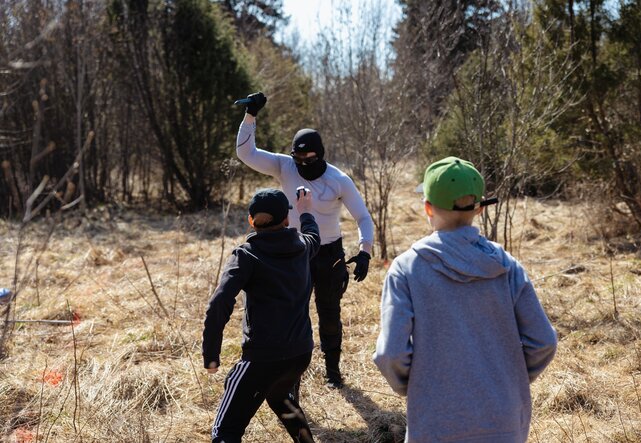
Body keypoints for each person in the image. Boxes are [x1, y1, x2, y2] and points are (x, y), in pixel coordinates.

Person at [373, 157, 558, 443]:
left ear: (427, 207)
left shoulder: (406, 269)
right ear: (480, 208)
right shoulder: (507, 266)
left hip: (434, 422)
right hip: (505, 420)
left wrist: (417, 386)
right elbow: (544, 341)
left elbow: (391, 354)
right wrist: (510, 380)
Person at [234, 92, 374, 388]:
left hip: (329, 254)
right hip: (295, 252)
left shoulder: (339, 180)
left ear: (320, 155)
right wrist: (250, 116)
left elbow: (362, 217)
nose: (301, 164)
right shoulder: (285, 166)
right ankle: (289, 376)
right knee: (291, 315)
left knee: (329, 313)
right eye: (297, 158)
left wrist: (365, 252)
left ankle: (333, 374)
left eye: (308, 159)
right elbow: (247, 154)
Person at [202, 188, 319, 443]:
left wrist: (211, 355)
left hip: (262, 359)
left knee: (225, 432)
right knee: (280, 399)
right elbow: (314, 235)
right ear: (287, 220)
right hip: (301, 352)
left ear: (251, 221)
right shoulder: (303, 246)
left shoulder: (246, 255)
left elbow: (219, 303)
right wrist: (306, 210)